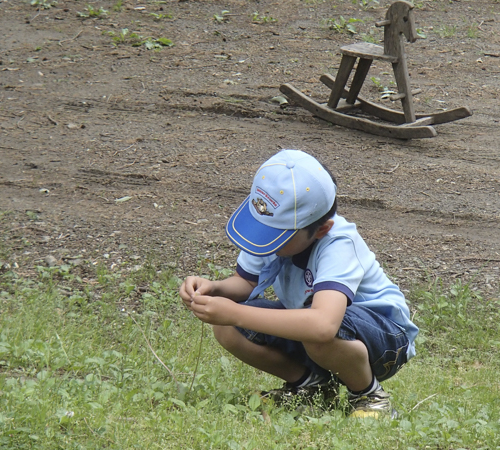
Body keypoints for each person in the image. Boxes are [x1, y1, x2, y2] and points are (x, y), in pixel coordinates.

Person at [179, 149, 418, 416]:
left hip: (384, 340)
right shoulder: (270, 223)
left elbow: (323, 325)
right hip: (317, 330)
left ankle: (369, 396)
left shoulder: (339, 244)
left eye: (277, 236)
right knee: (226, 327)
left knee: (313, 331)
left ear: (321, 229)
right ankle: (310, 386)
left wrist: (235, 312)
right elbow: (244, 283)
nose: (263, 241)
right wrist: (215, 290)